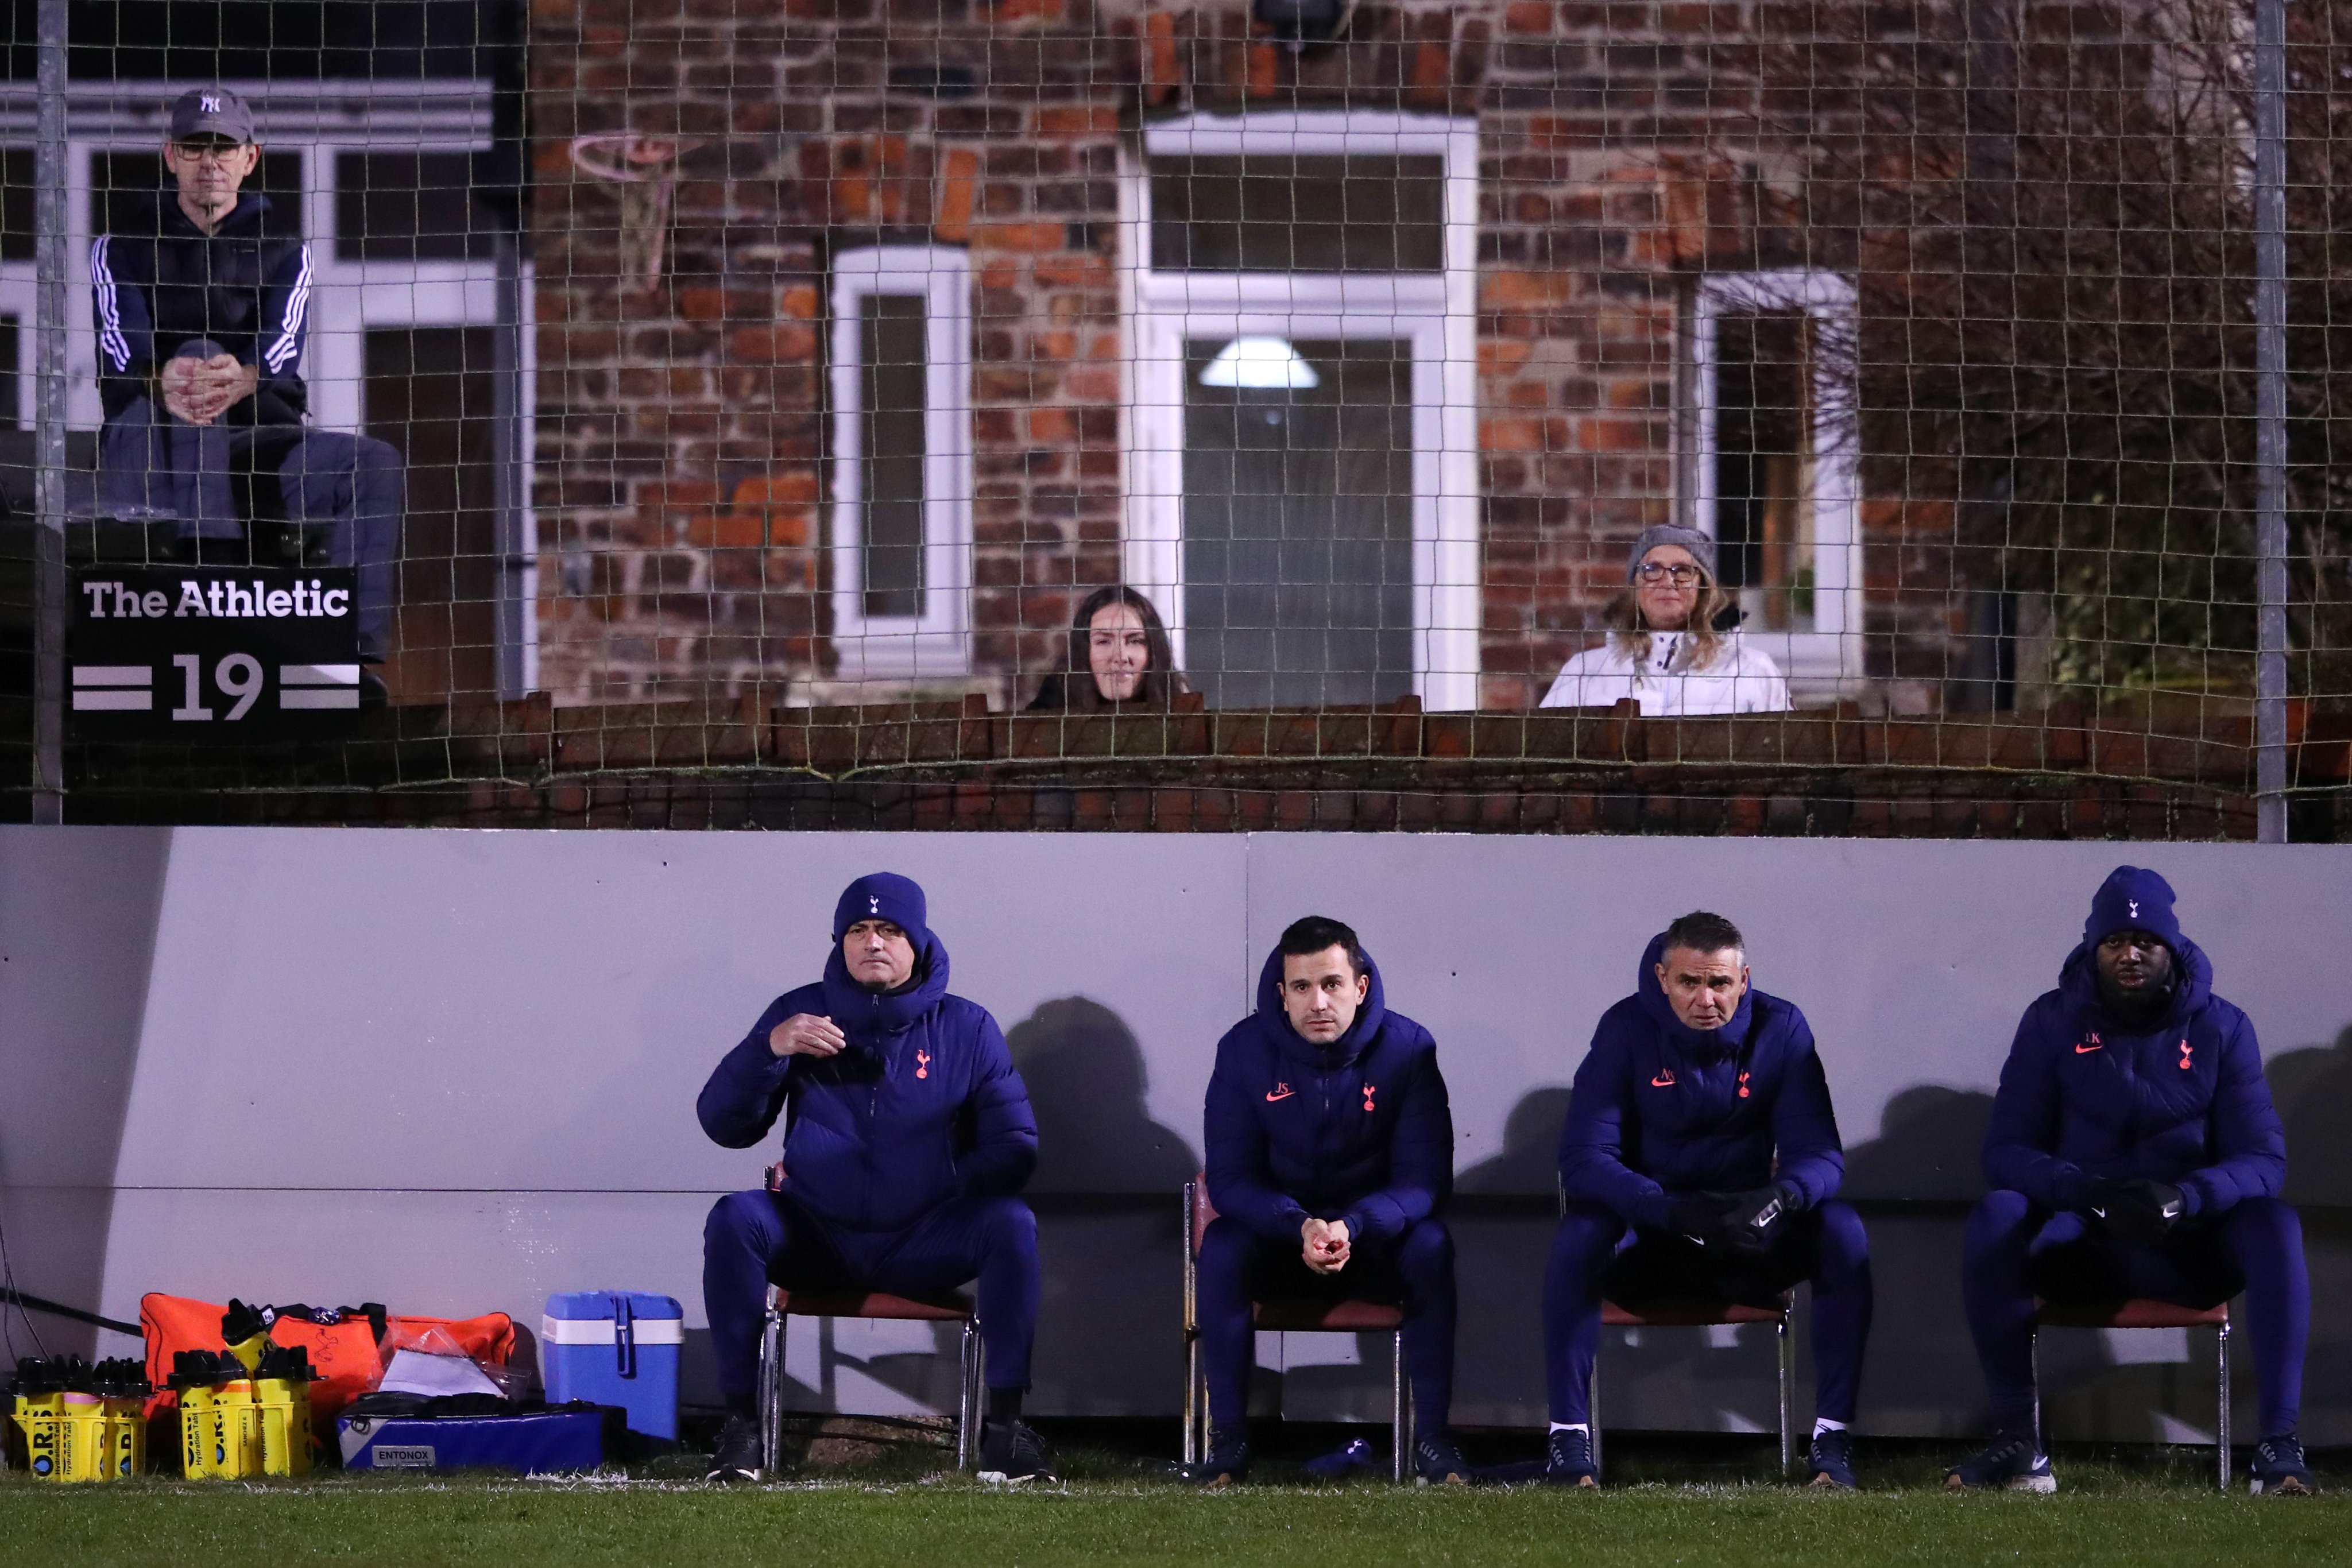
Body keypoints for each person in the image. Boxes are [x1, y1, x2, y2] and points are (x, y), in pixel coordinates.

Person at [1948, 868, 2315, 1496]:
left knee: (2275, 1219)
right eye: (2114, 940)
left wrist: (2187, 1195)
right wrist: (2085, 1191)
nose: (2130, 954)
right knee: (1996, 1214)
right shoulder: (2050, 1021)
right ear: (2093, 948)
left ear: (2170, 948)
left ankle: (2278, 1447)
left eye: (2145, 941)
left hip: (2189, 1249)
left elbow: (2263, 1159)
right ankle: (2019, 1441)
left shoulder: (2223, 1027)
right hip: (2083, 1244)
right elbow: (2006, 1150)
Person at [697, 872, 1050, 1483]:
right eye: (858, 930)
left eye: (889, 929)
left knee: (1011, 1223)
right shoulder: (797, 1013)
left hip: (922, 1240)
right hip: (819, 1237)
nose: (873, 943)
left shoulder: (965, 1027)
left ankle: (1005, 1431)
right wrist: (769, 1049)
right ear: (840, 943)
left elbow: (1016, 1146)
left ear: (917, 942)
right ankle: (742, 1430)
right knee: (735, 1217)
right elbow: (723, 1125)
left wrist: (938, 1178)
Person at [1542, 911, 1873, 1489]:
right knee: (1577, 1238)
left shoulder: (1782, 1027)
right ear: (1663, 978)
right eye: (1689, 982)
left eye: (1719, 983)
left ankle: (1831, 1441)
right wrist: (1666, 1209)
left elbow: (1821, 1155)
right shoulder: (1624, 1028)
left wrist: (1774, 1201)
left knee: (1842, 1230)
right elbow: (1583, 1157)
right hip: (1653, 1231)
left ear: (1742, 981)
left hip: (1745, 1230)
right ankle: (1568, 1441)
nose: (1705, 998)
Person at [92, 86, 403, 694]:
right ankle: (216, 591)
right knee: (196, 356)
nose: (210, 161)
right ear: (171, 157)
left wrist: (246, 380)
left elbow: (281, 358)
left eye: (224, 148)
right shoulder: (121, 246)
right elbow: (121, 354)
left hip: (250, 451)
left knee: (375, 464)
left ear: (250, 158)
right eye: (194, 147)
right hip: (147, 450)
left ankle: (349, 652)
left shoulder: (287, 250)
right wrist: (171, 378)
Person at [1186, 915, 1464, 1486]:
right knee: (1221, 1246)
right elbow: (1232, 1179)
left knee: (1432, 1242)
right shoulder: (1242, 1050)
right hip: (1282, 1242)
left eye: (1332, 984)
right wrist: (1299, 1225)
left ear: (1359, 988)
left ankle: (1432, 1441)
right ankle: (1229, 1445)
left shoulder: (1409, 1049)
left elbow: (1425, 1179)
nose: (1318, 1001)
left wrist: (1353, 1225)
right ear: (1281, 994)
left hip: (1372, 1244)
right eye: (1302, 987)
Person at [1538, 525, 1789, 715]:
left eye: (1683, 571)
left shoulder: (1751, 670)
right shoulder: (1585, 672)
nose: (1667, 581)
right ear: (1635, 585)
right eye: (1652, 570)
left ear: (1703, 587)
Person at [1025, 584, 1191, 711]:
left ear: (1154, 651)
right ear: (1084, 651)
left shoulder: (1181, 710)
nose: (1121, 656)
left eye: (1135, 641)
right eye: (1103, 642)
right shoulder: (1049, 709)